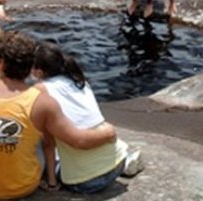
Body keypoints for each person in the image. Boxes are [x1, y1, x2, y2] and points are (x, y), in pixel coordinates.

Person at [0, 31, 118, 200]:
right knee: (38, 129)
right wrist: (108, 133)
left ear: (0, 62)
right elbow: (78, 140)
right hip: (23, 186)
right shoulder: (42, 102)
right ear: (30, 66)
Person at [32, 42, 144, 193]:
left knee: (37, 139)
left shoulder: (40, 91)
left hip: (86, 181)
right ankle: (127, 162)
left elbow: (48, 143)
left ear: (38, 72)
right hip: (118, 163)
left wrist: (51, 183)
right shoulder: (79, 81)